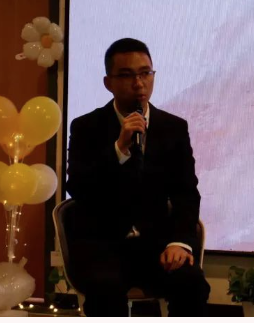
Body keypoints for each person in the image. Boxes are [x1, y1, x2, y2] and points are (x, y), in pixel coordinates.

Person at [65, 38, 210, 316]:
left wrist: (179, 242)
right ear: (108, 83)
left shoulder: (173, 127)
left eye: (145, 73)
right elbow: (79, 188)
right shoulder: (86, 127)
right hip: (103, 245)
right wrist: (119, 149)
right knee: (105, 289)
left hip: (156, 246)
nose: (139, 83)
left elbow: (186, 192)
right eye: (127, 75)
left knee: (191, 284)